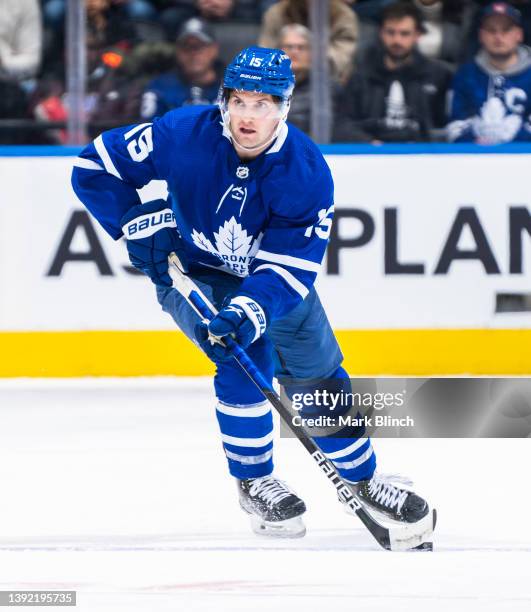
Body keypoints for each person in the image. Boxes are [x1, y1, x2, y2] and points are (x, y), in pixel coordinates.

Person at [71, 46, 432, 538]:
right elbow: (94, 166)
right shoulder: (181, 133)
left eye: (263, 103)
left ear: (284, 106)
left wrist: (248, 307)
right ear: (224, 100)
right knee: (245, 356)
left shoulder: (304, 172)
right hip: (192, 270)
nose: (248, 115)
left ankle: (364, 480)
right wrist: (132, 221)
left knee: (317, 375)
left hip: (270, 281)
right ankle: (255, 481)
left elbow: (289, 269)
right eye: (239, 100)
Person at [333, 1, 452, 143]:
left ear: (418, 35)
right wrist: (368, 142)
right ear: (381, 33)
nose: (397, 40)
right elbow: (343, 125)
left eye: (404, 33)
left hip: (422, 157)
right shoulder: (361, 76)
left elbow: (445, 127)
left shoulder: (437, 75)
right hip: (371, 156)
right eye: (390, 32)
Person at [448, 2, 531, 144]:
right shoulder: (465, 75)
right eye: (491, 30)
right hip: (473, 160)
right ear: (481, 35)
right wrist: (476, 143)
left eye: (506, 30)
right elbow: (455, 126)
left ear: (519, 34)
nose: (498, 37)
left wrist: (508, 141)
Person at [140, 18, 223, 119]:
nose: (193, 53)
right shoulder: (159, 87)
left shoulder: (232, 88)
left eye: (199, 46)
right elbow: (150, 128)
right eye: (186, 46)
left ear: (214, 49)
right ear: (177, 51)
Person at [259, 0, 359, 83]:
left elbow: (340, 60)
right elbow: (265, 57)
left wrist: (308, 57)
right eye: (290, 47)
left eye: (300, 48)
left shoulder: (343, 16)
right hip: (279, 81)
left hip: (327, 83)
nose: (295, 51)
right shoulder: (277, 13)